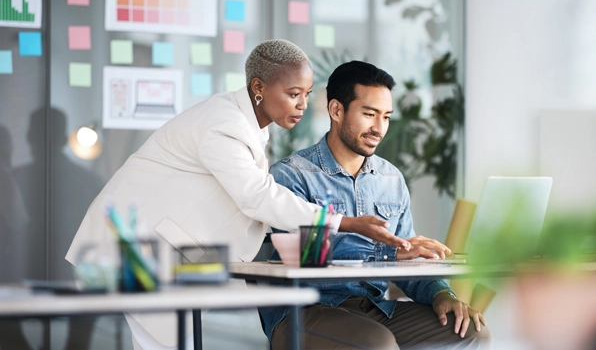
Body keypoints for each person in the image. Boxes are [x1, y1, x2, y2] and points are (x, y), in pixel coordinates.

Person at [66, 40, 411, 350]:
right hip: (132, 246)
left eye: (307, 93)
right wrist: (348, 223)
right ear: (258, 87)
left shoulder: (246, 126)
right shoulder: (224, 124)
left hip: (158, 249)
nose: (303, 104)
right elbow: (257, 197)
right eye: (293, 93)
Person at [261, 61, 493, 350]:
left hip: (374, 309)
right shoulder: (291, 175)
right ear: (336, 110)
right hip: (305, 312)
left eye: (386, 117)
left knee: (471, 331)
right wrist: (389, 252)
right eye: (369, 114)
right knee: (377, 343)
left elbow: (409, 263)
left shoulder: (390, 179)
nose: (379, 128)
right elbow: (308, 262)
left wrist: (441, 294)